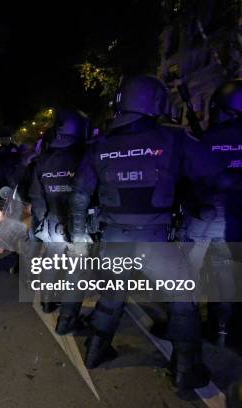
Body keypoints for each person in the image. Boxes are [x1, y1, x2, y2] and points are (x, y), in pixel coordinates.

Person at [70, 75, 220, 390]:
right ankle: (185, 370)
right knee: (183, 298)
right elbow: (212, 176)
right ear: (155, 102)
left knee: (112, 294)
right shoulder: (174, 139)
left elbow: (80, 195)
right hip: (155, 239)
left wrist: (80, 237)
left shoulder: (100, 145)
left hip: (114, 240)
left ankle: (96, 352)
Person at [184, 79, 242, 347]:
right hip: (234, 217)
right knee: (224, 273)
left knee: (189, 271)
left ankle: (186, 325)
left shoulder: (210, 139)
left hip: (203, 216)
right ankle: (222, 329)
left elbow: (191, 174)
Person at [27, 108, 88, 329]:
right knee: (76, 270)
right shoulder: (83, 155)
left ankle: (47, 302)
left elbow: (36, 196)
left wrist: (44, 221)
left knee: (50, 263)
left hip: (52, 222)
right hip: (78, 225)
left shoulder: (42, 160)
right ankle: (68, 319)